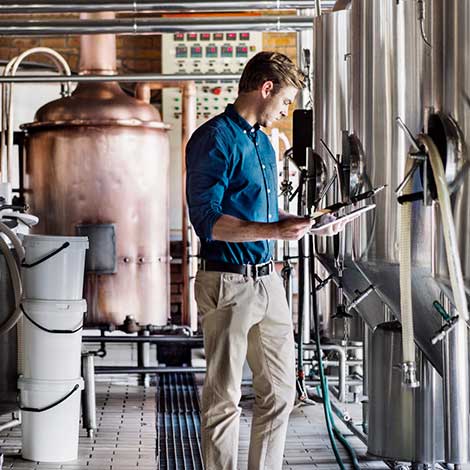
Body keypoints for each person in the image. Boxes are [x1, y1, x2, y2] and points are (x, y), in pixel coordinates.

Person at [186, 51, 344, 470]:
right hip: (227, 282)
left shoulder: (262, 142)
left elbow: (264, 217)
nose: (286, 111)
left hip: (267, 281)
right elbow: (207, 222)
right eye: (286, 101)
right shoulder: (215, 139)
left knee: (280, 393)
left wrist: (305, 224)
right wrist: (275, 233)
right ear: (266, 88)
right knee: (224, 399)